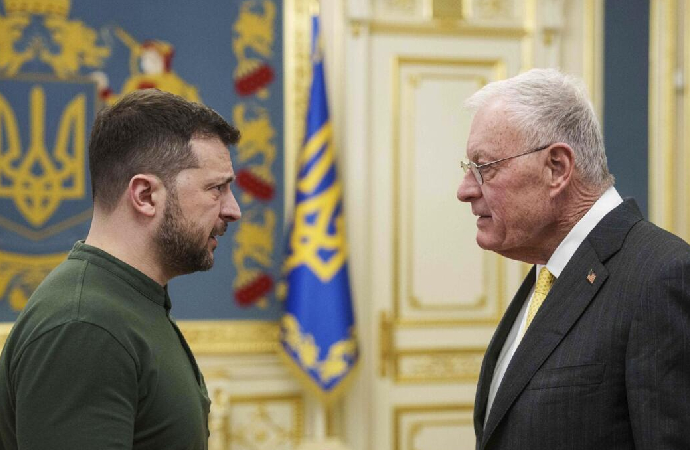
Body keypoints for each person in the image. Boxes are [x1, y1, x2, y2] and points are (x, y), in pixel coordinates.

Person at [457, 68, 690, 449]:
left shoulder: (662, 277)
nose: (465, 190)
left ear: (557, 168)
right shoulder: (548, 273)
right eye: (470, 169)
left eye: (485, 167)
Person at [0, 89, 241, 449]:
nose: (233, 210)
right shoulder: (85, 327)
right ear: (145, 195)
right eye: (216, 188)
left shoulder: (125, 303)